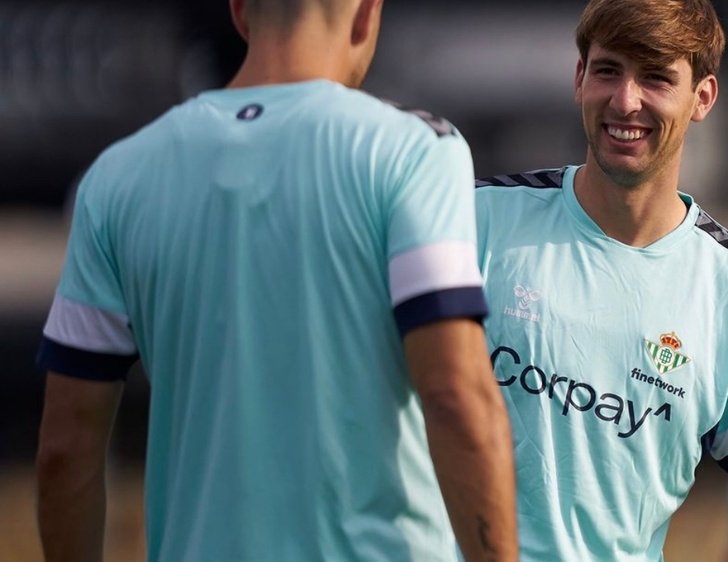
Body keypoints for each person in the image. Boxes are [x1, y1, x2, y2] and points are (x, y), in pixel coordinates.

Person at [34, 1, 518, 561]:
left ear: (241, 13)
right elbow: (454, 393)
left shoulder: (115, 176)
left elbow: (65, 447)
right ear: (366, 16)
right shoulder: (414, 151)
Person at [473, 0, 728, 560]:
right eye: (608, 70)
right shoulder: (476, 221)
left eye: (656, 77)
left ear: (702, 98)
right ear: (579, 78)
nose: (625, 101)